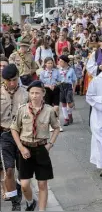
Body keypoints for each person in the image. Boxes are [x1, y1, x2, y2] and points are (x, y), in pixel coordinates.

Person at [10, 80, 61, 211]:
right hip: (25, 149)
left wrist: (50, 144)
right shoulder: (22, 110)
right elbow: (14, 129)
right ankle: (30, 201)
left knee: (42, 183)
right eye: (32, 93)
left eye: (37, 93)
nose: (34, 96)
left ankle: (42, 210)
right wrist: (21, 148)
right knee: (24, 184)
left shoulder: (49, 110)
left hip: (41, 148)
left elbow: (56, 127)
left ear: (43, 94)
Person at [0, 64, 28, 211]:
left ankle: (18, 186)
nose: (12, 83)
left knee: (22, 171)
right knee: (9, 170)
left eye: (15, 79)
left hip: (23, 136)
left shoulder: (26, 93)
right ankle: (15, 203)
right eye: (8, 80)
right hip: (4, 135)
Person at [39, 57, 62, 132]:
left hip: (55, 90)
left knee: (56, 107)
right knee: (48, 108)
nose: (50, 64)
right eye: (48, 63)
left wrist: (54, 85)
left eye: (51, 63)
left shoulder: (56, 71)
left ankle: (58, 124)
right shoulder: (42, 72)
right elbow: (41, 83)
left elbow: (60, 81)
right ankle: (50, 125)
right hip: (47, 91)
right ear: (45, 64)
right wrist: (48, 86)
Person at [58, 55, 77, 126]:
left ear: (65, 62)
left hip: (69, 86)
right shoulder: (58, 70)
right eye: (59, 61)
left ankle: (70, 114)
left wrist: (74, 89)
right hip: (61, 86)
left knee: (70, 104)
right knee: (63, 103)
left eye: (61, 61)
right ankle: (66, 119)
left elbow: (74, 80)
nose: (59, 62)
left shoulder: (71, 70)